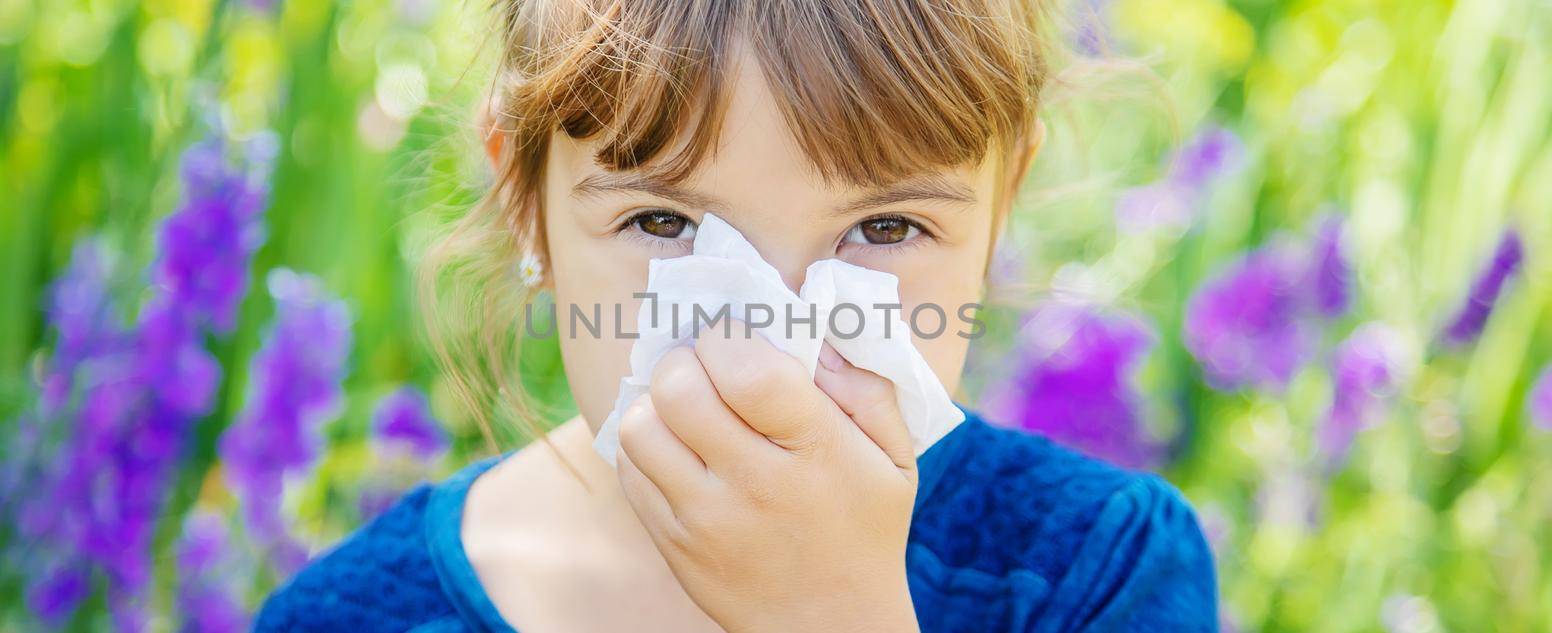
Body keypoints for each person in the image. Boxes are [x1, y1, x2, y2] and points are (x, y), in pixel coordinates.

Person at [257, 0, 1217, 630]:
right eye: (665, 220)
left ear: (1002, 204)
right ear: (528, 206)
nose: (771, 344)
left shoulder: (1098, 571)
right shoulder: (347, 616)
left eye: (885, 225)